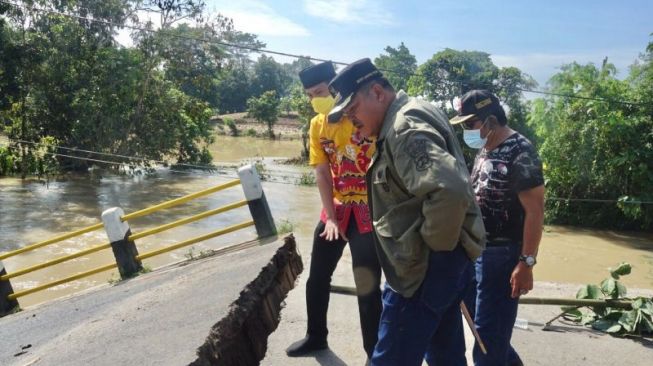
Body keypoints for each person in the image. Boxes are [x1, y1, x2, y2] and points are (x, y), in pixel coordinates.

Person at [328, 58, 486, 366]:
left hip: (422, 270)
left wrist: (433, 255)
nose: (351, 119)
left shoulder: (403, 127)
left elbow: (449, 191)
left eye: (352, 109)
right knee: (445, 353)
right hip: (444, 264)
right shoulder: (409, 113)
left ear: (377, 92)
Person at [285, 61, 382, 360]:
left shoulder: (361, 115)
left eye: (320, 91)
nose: (315, 99)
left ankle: (373, 352)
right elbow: (322, 174)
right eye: (310, 95)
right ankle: (315, 337)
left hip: (368, 209)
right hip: (337, 209)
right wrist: (330, 216)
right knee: (317, 278)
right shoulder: (317, 125)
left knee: (367, 283)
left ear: (335, 87)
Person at [451, 90, 545, 366]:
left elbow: (535, 211)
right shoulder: (485, 146)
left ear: (490, 120)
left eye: (470, 124)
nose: (467, 130)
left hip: (502, 256)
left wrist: (526, 263)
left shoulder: (521, 151)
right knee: (483, 329)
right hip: (476, 252)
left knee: (488, 340)